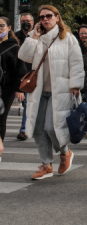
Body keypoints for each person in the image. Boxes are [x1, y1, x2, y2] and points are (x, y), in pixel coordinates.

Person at [18, 5, 84, 180]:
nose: (45, 19)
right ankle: (46, 164)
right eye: (41, 17)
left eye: (49, 16)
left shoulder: (68, 39)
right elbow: (23, 56)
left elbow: (77, 62)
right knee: (39, 129)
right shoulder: (37, 38)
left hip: (60, 92)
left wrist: (75, 85)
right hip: (39, 91)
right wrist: (33, 36)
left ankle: (65, 152)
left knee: (51, 127)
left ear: (57, 17)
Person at [0, 17, 27, 161]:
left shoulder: (14, 47)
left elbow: (20, 70)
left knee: (1, 118)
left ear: (9, 28)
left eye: (2, 26)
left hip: (7, 88)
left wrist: (19, 89)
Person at [15, 13, 34, 141]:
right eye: (23, 21)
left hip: (34, 74)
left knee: (28, 103)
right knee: (27, 103)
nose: (25, 23)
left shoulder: (38, 36)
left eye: (27, 21)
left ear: (33, 22)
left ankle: (24, 129)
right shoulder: (16, 37)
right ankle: (25, 129)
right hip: (20, 75)